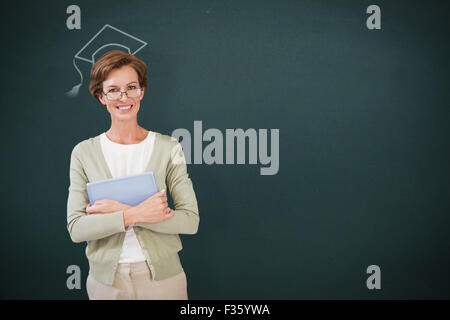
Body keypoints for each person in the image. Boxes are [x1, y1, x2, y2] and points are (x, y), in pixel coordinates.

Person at [66, 50, 199, 300]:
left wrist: (116, 211)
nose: (123, 97)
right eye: (113, 90)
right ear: (101, 97)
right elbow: (77, 228)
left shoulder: (169, 148)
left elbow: (190, 221)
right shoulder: (83, 153)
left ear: (142, 91)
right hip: (107, 283)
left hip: (165, 280)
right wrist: (135, 214)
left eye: (131, 87)